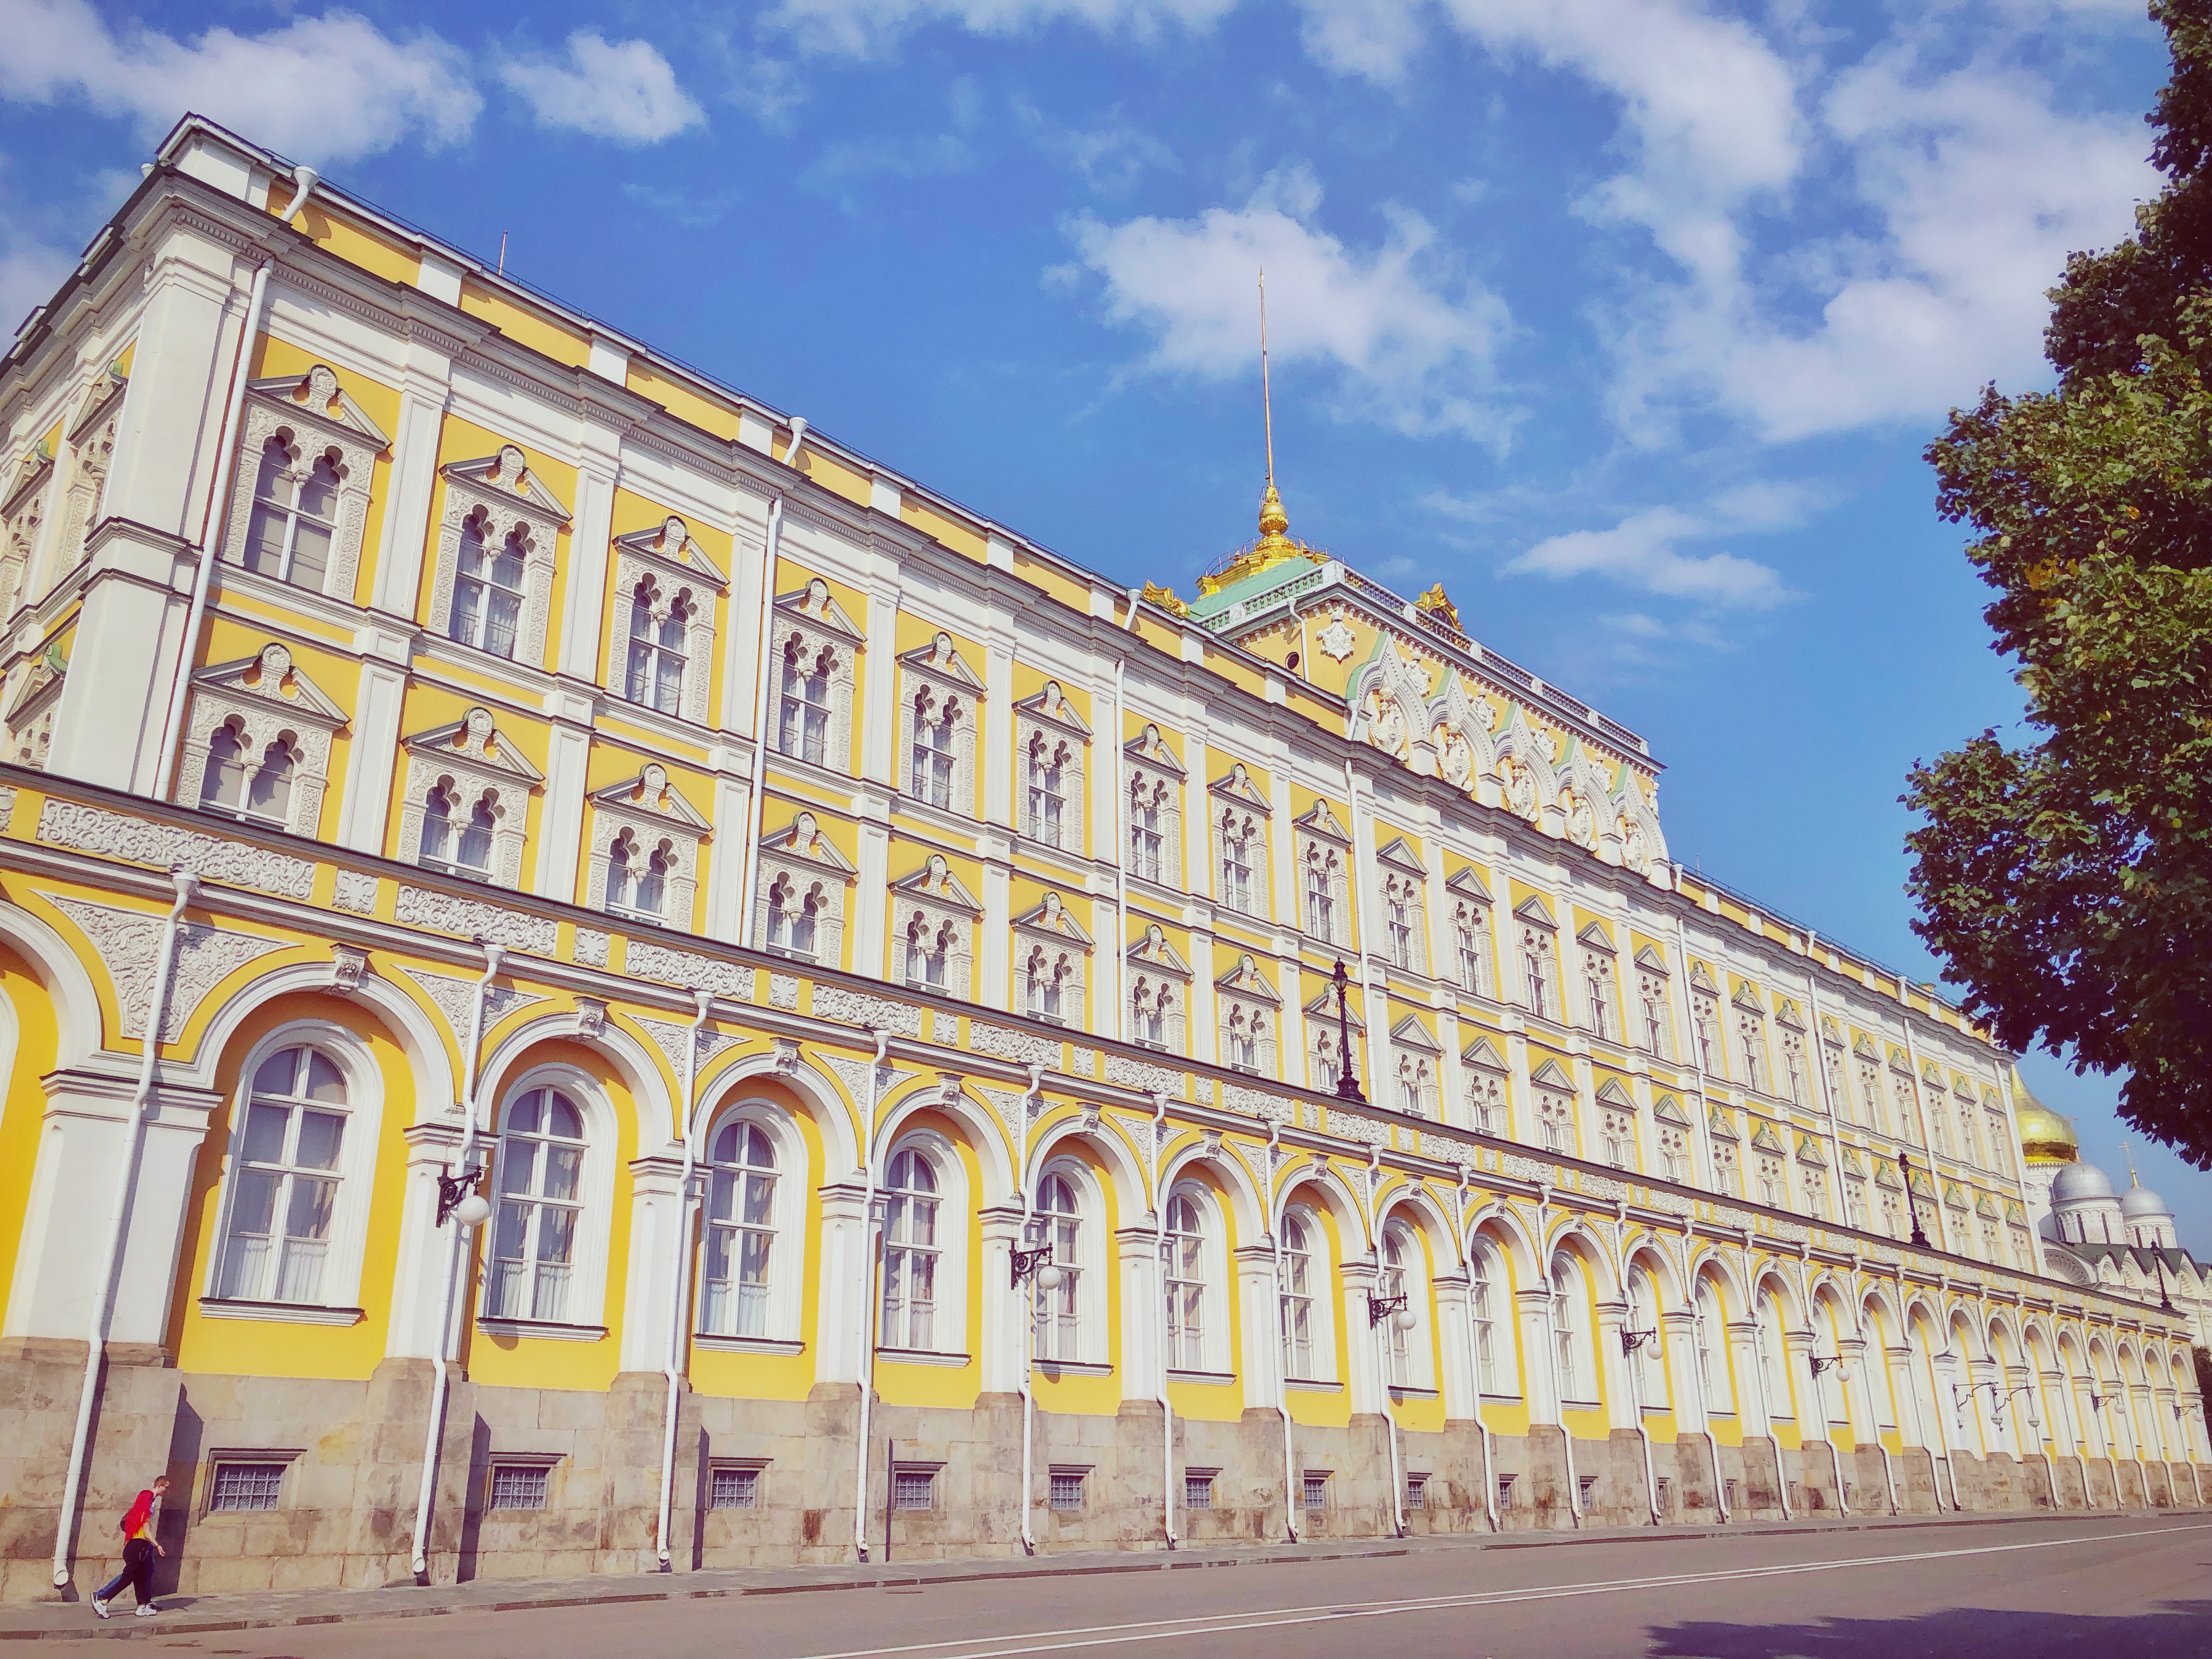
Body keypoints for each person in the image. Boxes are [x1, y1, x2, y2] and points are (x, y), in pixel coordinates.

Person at [91, 1475, 168, 1618]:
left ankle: (143, 1606)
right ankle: (102, 1601)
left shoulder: (135, 1514)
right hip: (139, 1547)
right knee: (128, 1577)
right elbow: (146, 1532)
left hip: (133, 1547)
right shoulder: (144, 1513)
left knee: (142, 1575)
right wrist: (158, 1545)